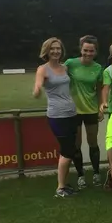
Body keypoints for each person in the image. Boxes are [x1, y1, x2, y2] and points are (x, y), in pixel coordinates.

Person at [33, 37, 79, 197]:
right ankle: (60, 188)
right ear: (47, 51)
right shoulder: (43, 69)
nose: (55, 51)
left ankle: (64, 185)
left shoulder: (65, 68)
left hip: (71, 113)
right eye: (52, 48)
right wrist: (38, 89)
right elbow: (37, 87)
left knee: (70, 150)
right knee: (67, 150)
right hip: (57, 115)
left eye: (58, 48)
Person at [64, 34, 103, 189]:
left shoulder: (98, 67)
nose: (88, 53)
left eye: (91, 51)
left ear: (95, 52)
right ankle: (80, 175)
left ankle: (96, 173)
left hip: (91, 110)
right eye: (85, 50)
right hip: (73, 111)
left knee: (93, 143)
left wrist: (100, 107)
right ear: (81, 49)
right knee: (76, 144)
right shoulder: (70, 63)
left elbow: (99, 90)